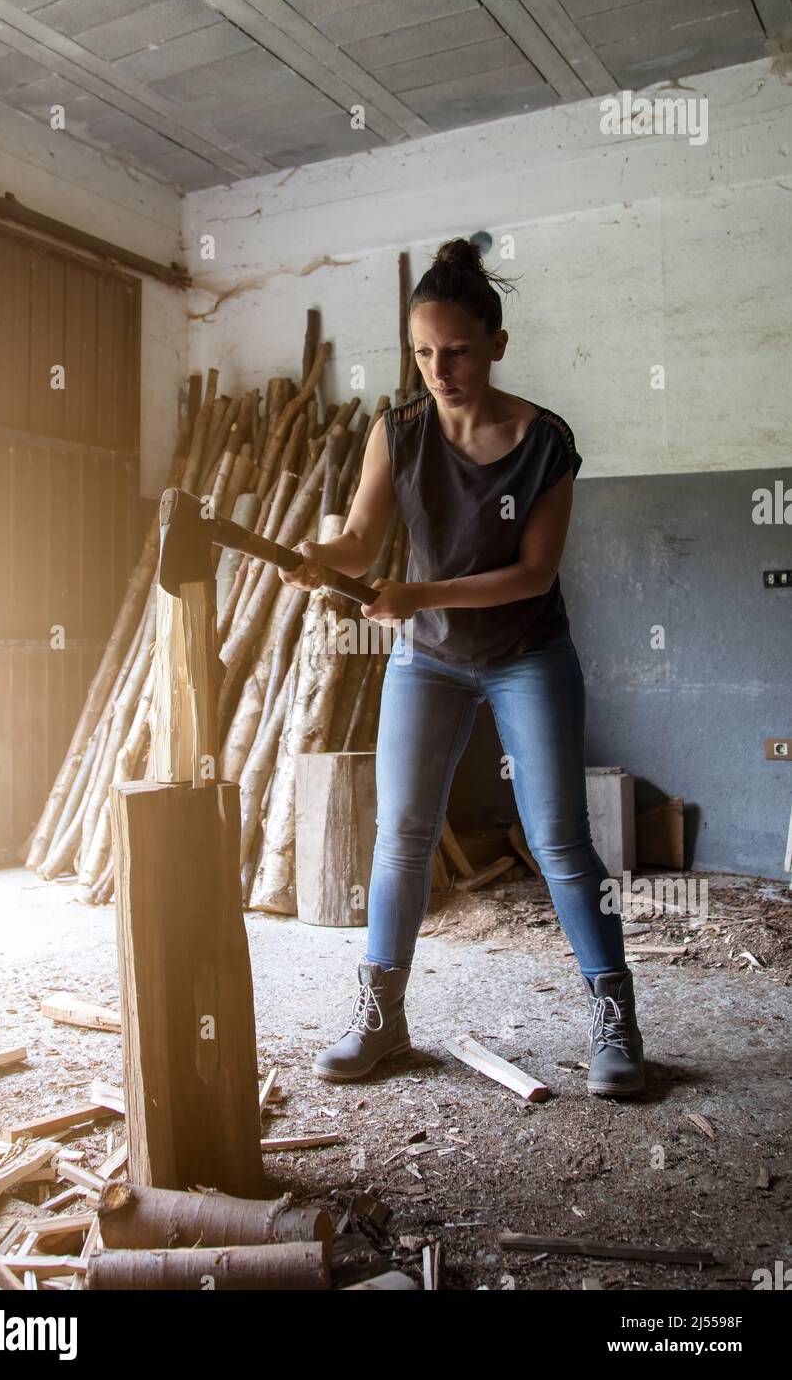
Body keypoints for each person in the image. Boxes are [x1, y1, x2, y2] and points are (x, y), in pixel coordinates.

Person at [278, 237, 644, 1098]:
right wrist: (317, 554)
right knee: (401, 834)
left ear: (498, 346)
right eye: (423, 353)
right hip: (429, 658)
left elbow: (533, 574)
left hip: (527, 654)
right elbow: (361, 541)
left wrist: (419, 592)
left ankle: (616, 1022)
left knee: (559, 839)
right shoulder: (398, 433)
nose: (439, 370)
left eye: (458, 352)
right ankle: (381, 1017)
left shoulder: (545, 441)